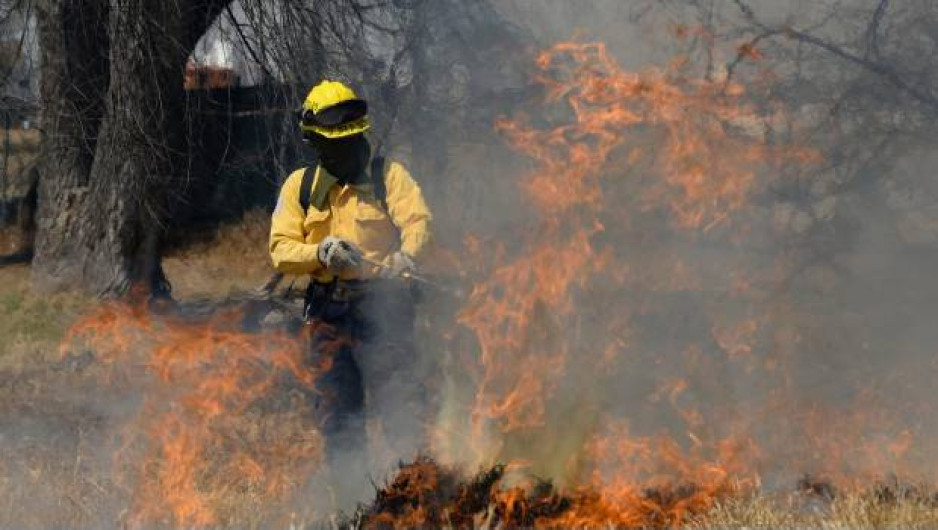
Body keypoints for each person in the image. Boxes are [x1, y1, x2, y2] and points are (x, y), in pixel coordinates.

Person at [269, 80, 432, 488]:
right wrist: (320, 253)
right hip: (329, 316)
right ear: (314, 143)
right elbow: (280, 249)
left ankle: (418, 497)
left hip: (386, 310)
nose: (344, 151)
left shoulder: (387, 176)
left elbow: (418, 221)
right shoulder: (300, 187)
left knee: (402, 409)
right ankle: (352, 500)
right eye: (333, 144)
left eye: (349, 141)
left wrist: (407, 256)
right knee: (339, 416)